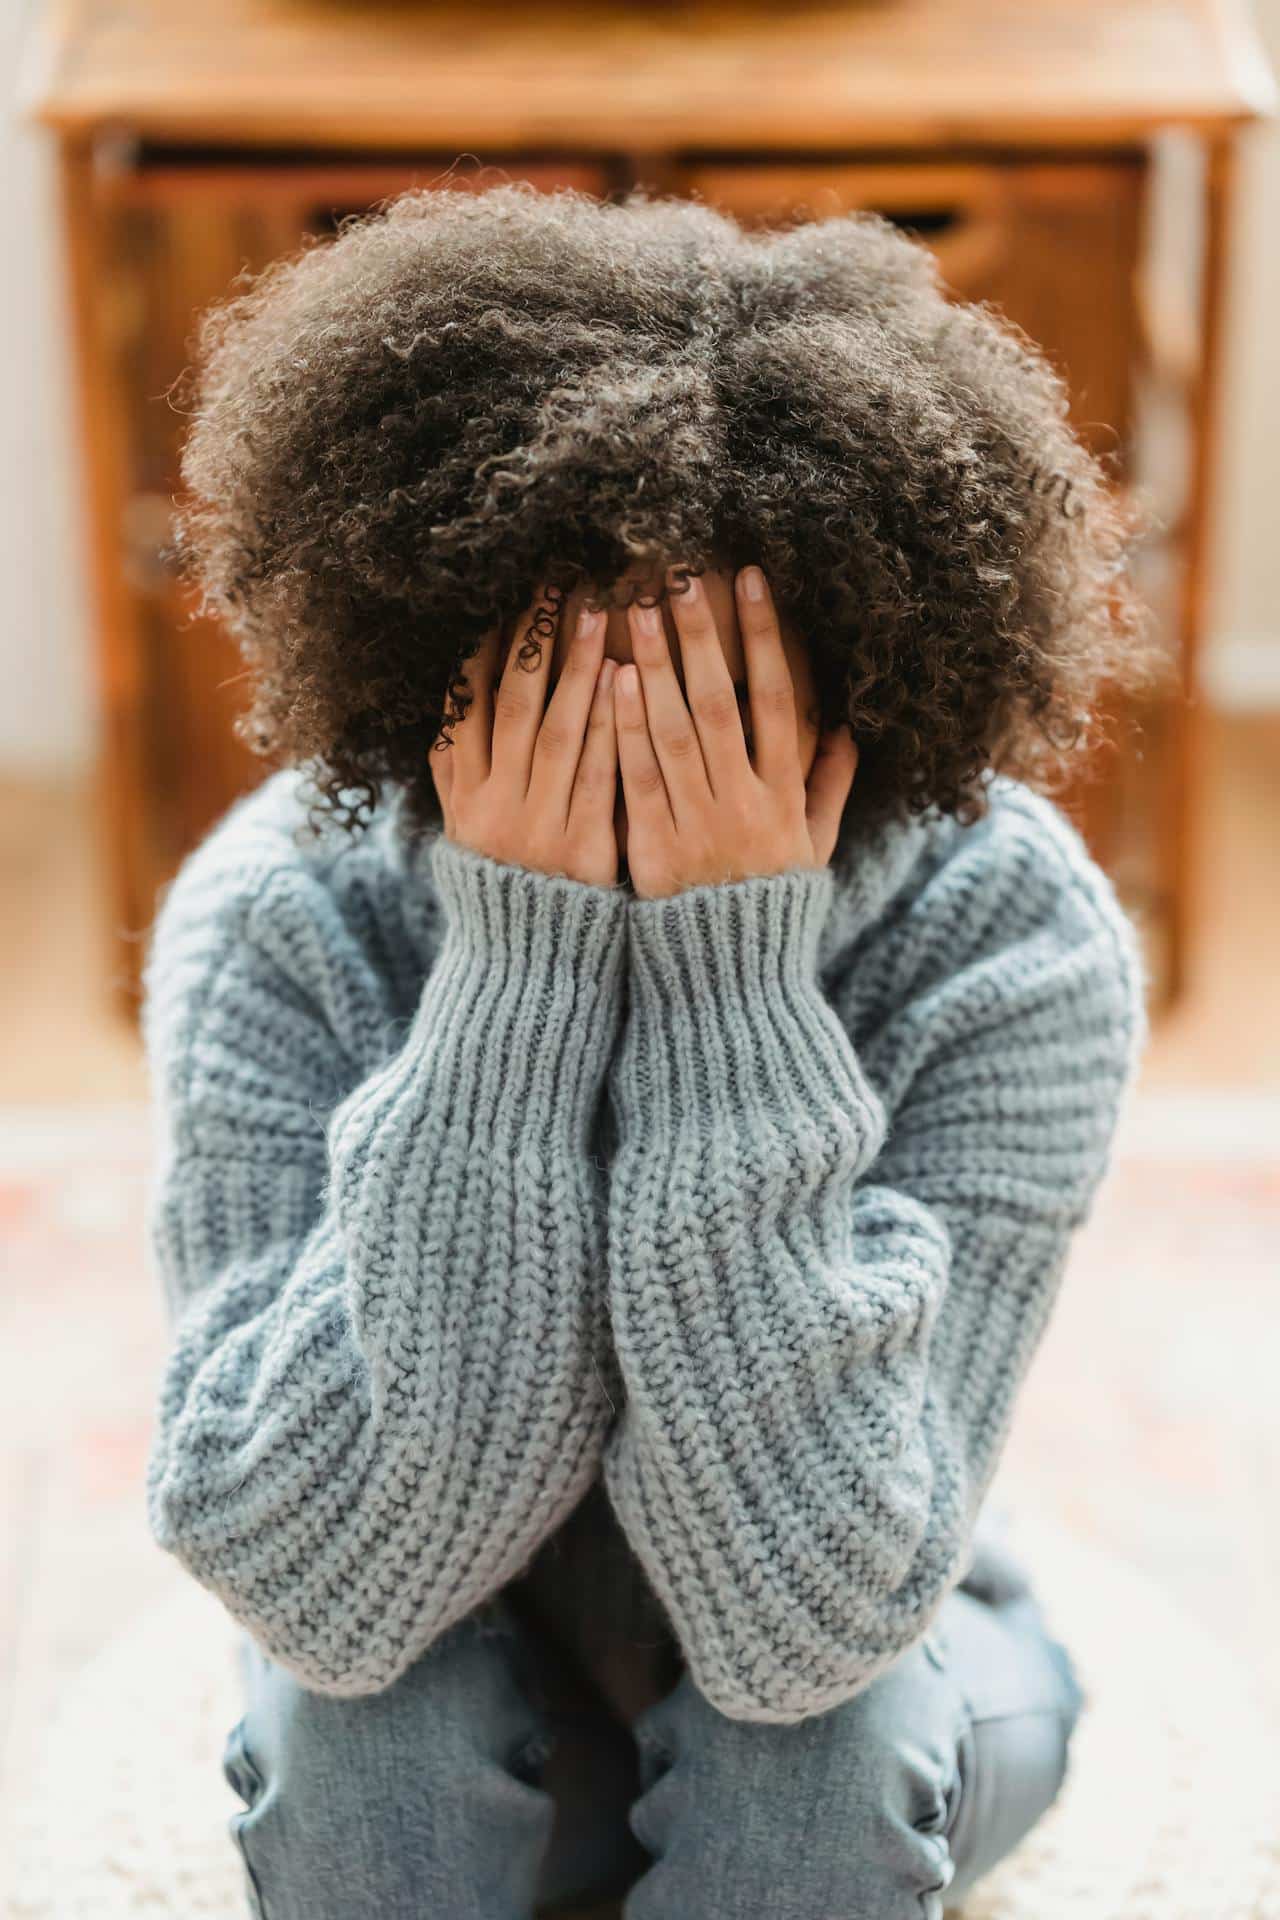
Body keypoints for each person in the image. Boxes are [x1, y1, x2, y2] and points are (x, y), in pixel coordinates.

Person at [141, 181, 1150, 1918]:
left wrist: (731, 982)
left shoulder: (1007, 941)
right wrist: (515, 980)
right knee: (361, 1747)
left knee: (814, 1768)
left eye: (719, 690)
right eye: (554, 679)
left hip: (880, 1638)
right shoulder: (283, 917)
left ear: (861, 668)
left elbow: (809, 1622)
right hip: (463, 1653)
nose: (633, 739)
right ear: (424, 656)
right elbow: (309, 1584)